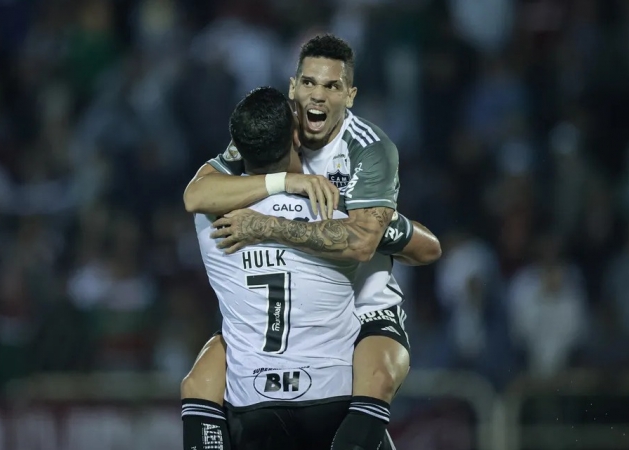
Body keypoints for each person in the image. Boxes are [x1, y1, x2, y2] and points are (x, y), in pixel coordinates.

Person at [183, 35, 441, 450]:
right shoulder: (276, 129)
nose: (316, 96)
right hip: (290, 312)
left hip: (362, 305)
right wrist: (287, 180)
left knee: (375, 378)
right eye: (308, 83)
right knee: (200, 380)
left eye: (331, 86)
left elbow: (363, 244)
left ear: (350, 96)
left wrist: (265, 226)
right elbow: (196, 194)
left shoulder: (370, 149)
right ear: (292, 87)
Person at [194, 85, 372, 450]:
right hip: (332, 396)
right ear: (296, 135)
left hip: (254, 401)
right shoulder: (339, 212)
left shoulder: (214, 217)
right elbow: (421, 245)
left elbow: (195, 192)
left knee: (201, 377)